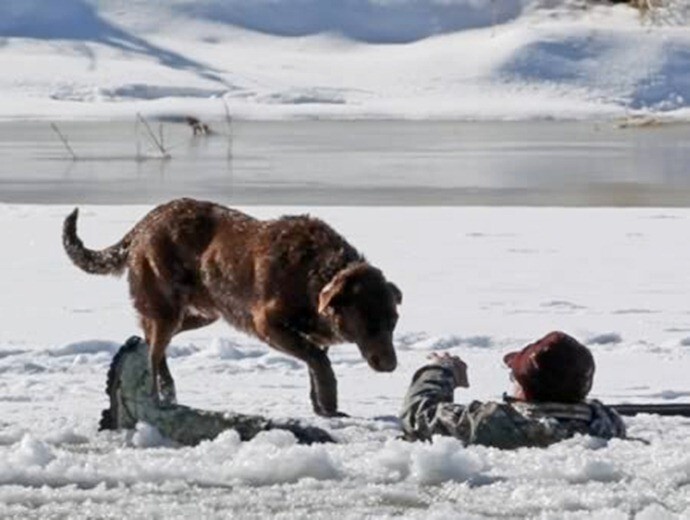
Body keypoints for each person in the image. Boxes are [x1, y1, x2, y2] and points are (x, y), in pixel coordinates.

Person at [400, 331, 626, 449]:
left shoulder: (491, 422)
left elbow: (418, 417)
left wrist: (441, 371)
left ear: (524, 391)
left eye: (514, 376)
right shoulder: (606, 424)